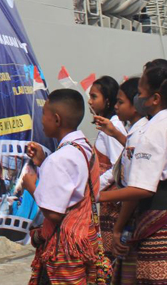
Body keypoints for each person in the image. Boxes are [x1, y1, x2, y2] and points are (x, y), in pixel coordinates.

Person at [99, 66, 167, 285]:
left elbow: (142, 188)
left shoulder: (153, 131)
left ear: (155, 98)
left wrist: (96, 196)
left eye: (140, 91)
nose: (139, 97)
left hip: (160, 224)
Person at [22, 88, 109, 284]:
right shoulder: (84, 147)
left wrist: (31, 186)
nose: (41, 120)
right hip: (85, 239)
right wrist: (43, 162)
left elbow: (54, 213)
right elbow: (72, 187)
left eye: (44, 114)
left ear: (57, 119)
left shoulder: (59, 159)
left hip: (64, 248)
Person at [95, 77, 147, 282]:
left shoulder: (141, 131)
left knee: (120, 263)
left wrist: (98, 193)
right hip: (117, 198)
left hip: (121, 202)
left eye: (120, 102)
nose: (117, 106)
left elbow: (127, 172)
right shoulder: (125, 130)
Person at [87, 75, 126, 259]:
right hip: (106, 197)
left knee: (110, 254)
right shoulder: (108, 126)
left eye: (94, 97)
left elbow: (118, 164)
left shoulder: (113, 126)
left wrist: (94, 187)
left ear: (107, 100)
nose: (90, 101)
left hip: (111, 199)